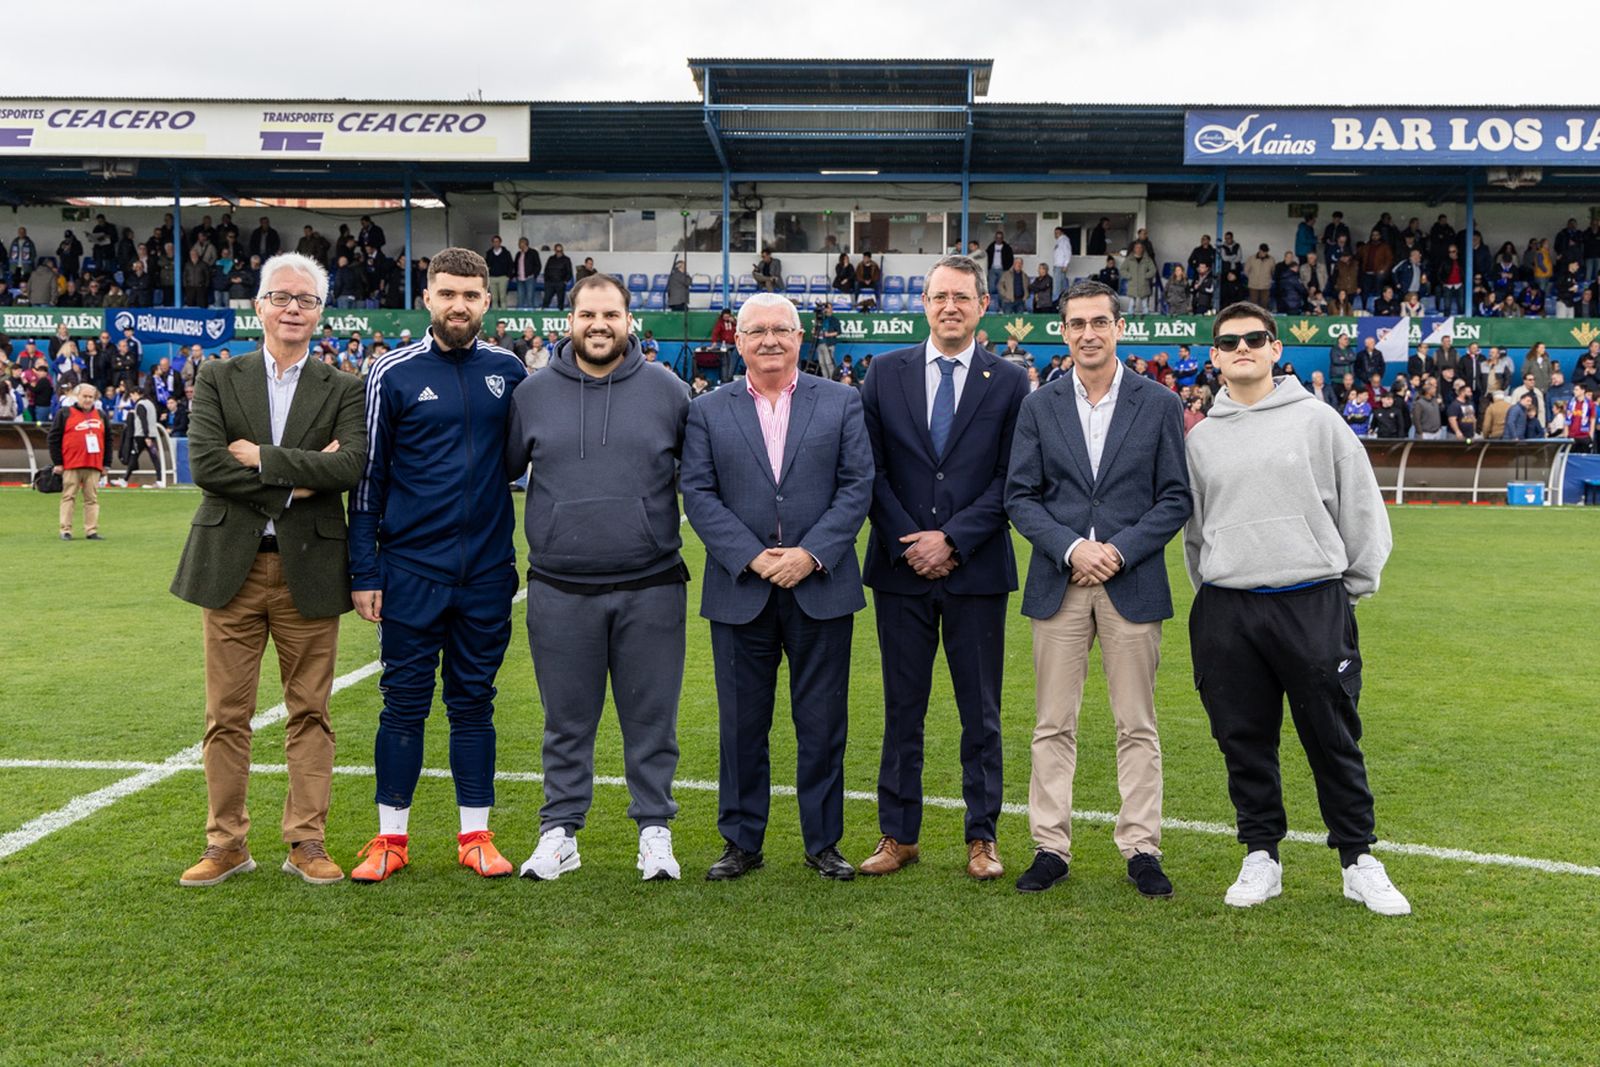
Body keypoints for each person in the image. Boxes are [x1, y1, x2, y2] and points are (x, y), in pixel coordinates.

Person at [1182, 300, 1410, 916]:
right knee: (1243, 738)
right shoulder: (1201, 438)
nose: (1242, 349)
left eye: (1255, 338)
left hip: (1312, 601)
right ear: (1215, 358)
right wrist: (1216, 589)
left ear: (1277, 349)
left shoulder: (1319, 421)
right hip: (1229, 609)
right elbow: (1197, 535)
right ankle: (1261, 856)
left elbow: (1363, 510)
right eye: (1229, 342)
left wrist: (1349, 589)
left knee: (1332, 736)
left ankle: (1358, 859)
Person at [169, 252, 368, 888]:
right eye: (281, 297)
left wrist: (262, 458)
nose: (292, 309)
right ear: (258, 306)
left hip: (307, 570)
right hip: (232, 568)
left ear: (320, 312)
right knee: (226, 716)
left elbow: (349, 468)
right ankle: (226, 844)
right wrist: (294, 479)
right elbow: (207, 465)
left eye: (305, 300)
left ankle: (306, 841)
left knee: (310, 712)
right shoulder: (220, 376)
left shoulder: (344, 386)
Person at [1003, 279, 1191, 897]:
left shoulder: (1159, 403)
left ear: (1119, 328)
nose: (1088, 333)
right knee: (1053, 722)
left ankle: (1142, 846)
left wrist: (1117, 549)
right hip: (1059, 583)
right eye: (1077, 323)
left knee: (1136, 722)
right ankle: (1050, 845)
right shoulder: (1039, 405)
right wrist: (1071, 547)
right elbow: (1020, 498)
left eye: (1099, 322)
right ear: (1063, 331)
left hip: (1130, 581)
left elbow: (1174, 499)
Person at [346, 248, 528, 883]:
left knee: (475, 702)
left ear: (487, 301)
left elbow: (526, 458)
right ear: (427, 297)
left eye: (472, 295)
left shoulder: (510, 369)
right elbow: (368, 479)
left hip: (486, 573)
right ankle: (389, 839)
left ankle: (475, 835)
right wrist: (364, 570)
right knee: (403, 704)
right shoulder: (390, 373)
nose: (460, 305)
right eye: (448, 293)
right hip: (409, 571)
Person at [680, 292, 873, 882]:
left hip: (822, 587)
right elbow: (699, 493)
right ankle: (741, 842)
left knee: (822, 723)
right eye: (757, 330)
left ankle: (823, 843)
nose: (770, 340)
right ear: (737, 341)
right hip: (742, 588)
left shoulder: (841, 401)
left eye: (781, 330)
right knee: (742, 724)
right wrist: (753, 557)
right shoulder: (708, 410)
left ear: (800, 338)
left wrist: (811, 554)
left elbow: (857, 485)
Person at [504, 274, 692, 882]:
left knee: (652, 720)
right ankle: (559, 833)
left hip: (653, 584)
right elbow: (497, 475)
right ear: (570, 320)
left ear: (630, 320)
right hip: (560, 588)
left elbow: (705, 482)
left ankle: (655, 833)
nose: (599, 324)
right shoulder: (531, 395)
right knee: (566, 720)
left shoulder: (670, 392)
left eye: (611, 313)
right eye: (588, 313)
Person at [856, 256, 1030, 881]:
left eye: (962, 296)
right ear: (923, 304)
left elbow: (1012, 479)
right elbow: (868, 472)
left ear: (983, 306)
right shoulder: (884, 372)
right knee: (903, 708)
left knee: (979, 711)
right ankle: (898, 835)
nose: (949, 306)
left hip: (976, 571)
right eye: (938, 296)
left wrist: (952, 540)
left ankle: (981, 836)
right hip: (901, 570)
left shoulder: (1009, 382)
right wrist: (912, 542)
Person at [47, 383, 109, 541]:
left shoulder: (101, 415)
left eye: (91, 397)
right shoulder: (65, 413)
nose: (88, 400)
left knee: (92, 499)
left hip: (94, 464)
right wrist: (58, 462)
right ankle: (65, 529)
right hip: (71, 464)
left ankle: (91, 530)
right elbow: (53, 438)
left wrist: (106, 464)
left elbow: (108, 440)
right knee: (68, 496)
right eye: (85, 396)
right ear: (77, 397)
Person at [115, 383, 162, 486]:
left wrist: (146, 436)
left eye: (131, 395)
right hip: (151, 434)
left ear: (136, 394)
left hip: (141, 435)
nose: (131, 398)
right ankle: (160, 480)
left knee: (134, 456)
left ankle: (125, 480)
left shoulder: (140, 405)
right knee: (154, 458)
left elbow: (143, 420)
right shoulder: (150, 403)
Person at [984, 230, 1014, 305]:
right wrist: (988, 267)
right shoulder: (991, 246)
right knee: (991, 288)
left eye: (1000, 238)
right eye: (997, 237)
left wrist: (1006, 268)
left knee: (1001, 288)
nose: (998, 239)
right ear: (995, 238)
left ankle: (1001, 305)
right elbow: (986, 257)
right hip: (992, 269)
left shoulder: (1007, 247)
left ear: (1003, 238)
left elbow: (1011, 259)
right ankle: (991, 305)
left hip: (1002, 270)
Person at [512, 237, 542, 309]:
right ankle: (519, 315)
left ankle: (531, 315)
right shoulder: (518, 254)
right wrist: (515, 275)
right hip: (520, 279)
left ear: (525, 243)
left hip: (529, 278)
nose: (519, 244)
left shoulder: (533, 252)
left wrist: (534, 275)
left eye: (520, 243)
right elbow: (515, 265)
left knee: (530, 297)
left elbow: (538, 265)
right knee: (520, 297)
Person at [541, 243, 573, 309]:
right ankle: (542, 315)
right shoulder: (551, 259)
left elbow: (569, 272)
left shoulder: (566, 259)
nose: (559, 253)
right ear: (555, 251)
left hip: (560, 283)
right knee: (546, 300)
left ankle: (560, 315)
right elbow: (546, 270)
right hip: (550, 283)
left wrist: (565, 281)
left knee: (560, 302)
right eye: (557, 251)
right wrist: (546, 280)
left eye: (561, 251)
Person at [1051, 225, 1073, 301]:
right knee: (1061, 287)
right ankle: (1060, 303)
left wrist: (1065, 265)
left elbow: (1068, 253)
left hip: (1061, 266)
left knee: (1057, 288)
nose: (1055, 234)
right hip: (1057, 266)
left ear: (1061, 233)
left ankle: (1055, 304)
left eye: (1057, 233)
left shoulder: (1064, 240)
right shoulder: (1059, 241)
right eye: (1055, 233)